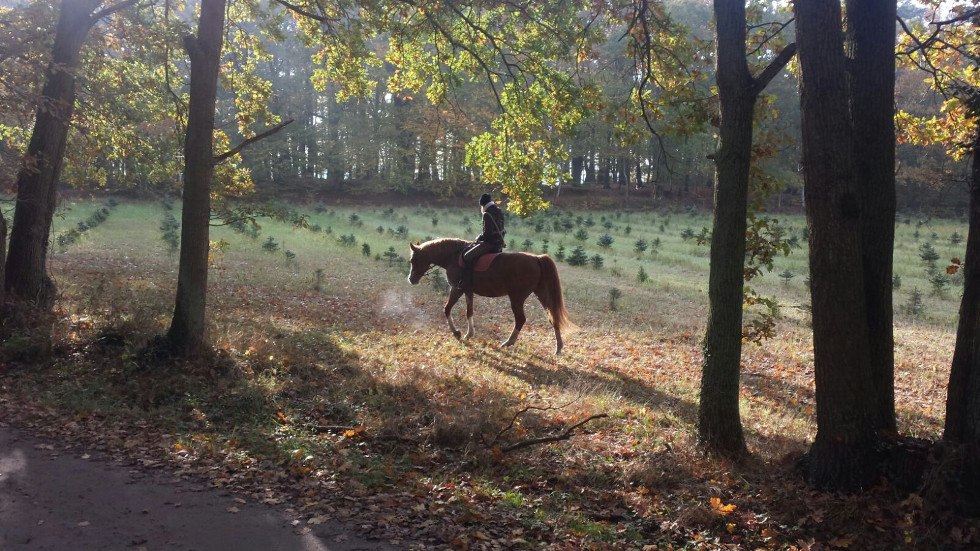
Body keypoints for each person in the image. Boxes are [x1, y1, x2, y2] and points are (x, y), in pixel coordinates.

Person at [460, 193, 505, 290]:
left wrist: (478, 238)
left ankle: (467, 281)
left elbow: (487, 234)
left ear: (482, 205)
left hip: (490, 244)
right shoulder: (499, 211)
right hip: (499, 243)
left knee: (467, 256)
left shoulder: (486, 214)